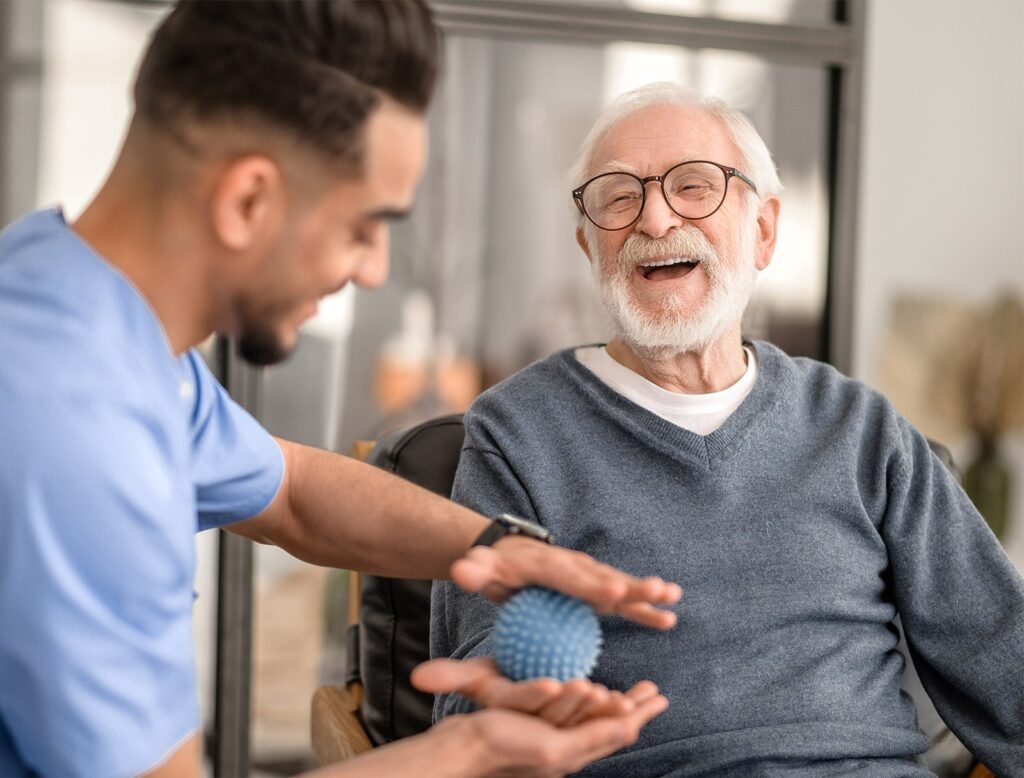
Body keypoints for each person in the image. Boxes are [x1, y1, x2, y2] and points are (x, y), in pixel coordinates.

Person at [0, 4, 686, 776]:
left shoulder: (70, 306)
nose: (374, 270)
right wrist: (471, 751)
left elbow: (290, 492)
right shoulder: (76, 435)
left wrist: (493, 550)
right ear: (248, 201)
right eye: (364, 226)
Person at [431, 82, 1024, 776]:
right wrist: (522, 699)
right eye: (618, 197)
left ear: (764, 230)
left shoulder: (862, 430)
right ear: (588, 245)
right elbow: (475, 706)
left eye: (693, 186)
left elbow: (1001, 657)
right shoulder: (517, 435)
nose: (654, 219)